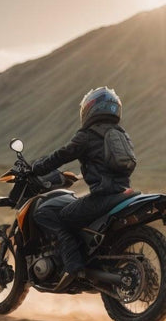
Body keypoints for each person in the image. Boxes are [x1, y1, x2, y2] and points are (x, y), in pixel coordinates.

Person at [30, 87, 136, 280]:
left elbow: (61, 155)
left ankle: (73, 267)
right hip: (122, 193)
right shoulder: (122, 135)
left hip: (103, 196)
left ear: (90, 109)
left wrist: (37, 168)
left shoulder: (88, 135)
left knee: (49, 214)